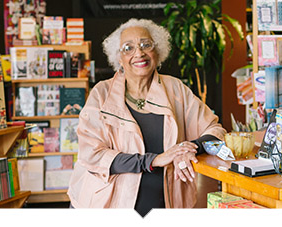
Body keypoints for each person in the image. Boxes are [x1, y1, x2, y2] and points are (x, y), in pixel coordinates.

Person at [67, 18, 226, 216]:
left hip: (165, 206)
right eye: (128, 48)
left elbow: (216, 132)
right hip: (106, 206)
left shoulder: (175, 89)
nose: (139, 53)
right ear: (119, 58)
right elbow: (91, 154)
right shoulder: (101, 94)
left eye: (146, 45)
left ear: (158, 51)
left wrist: (188, 149)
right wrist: (154, 160)